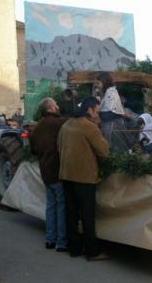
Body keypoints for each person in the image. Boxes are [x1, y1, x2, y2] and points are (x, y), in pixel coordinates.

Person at [58, 97, 109, 260]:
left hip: (66, 175)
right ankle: (92, 251)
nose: (97, 114)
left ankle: (74, 248)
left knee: (71, 214)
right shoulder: (89, 127)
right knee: (87, 216)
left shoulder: (66, 125)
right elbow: (104, 151)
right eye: (97, 111)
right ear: (89, 109)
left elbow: (58, 147)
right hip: (84, 177)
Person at [30, 98, 68, 252]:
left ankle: (49, 239)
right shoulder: (59, 123)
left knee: (50, 206)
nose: (58, 106)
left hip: (45, 170)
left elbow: (33, 150)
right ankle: (61, 242)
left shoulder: (37, 127)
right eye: (56, 104)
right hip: (58, 170)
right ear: (51, 108)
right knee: (61, 206)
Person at [95, 71, 133, 150]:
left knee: (114, 149)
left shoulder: (111, 93)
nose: (97, 86)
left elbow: (110, 113)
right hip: (108, 126)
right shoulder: (105, 92)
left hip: (113, 127)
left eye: (98, 83)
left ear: (104, 82)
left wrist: (98, 114)